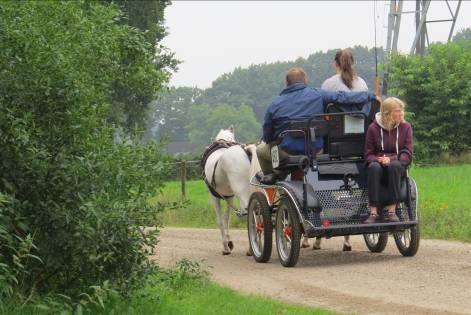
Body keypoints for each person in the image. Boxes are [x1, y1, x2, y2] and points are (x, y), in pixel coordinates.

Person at [256, 67, 378, 184]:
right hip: (316, 151)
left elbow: (267, 135)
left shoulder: (275, 103)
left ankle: (274, 176)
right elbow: (343, 97)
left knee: (260, 150)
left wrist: (271, 139)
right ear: (305, 81)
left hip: (287, 152)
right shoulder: (318, 94)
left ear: (286, 83)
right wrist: (370, 95)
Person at [363, 97, 413, 223]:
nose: (401, 113)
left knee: (394, 165)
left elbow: (407, 152)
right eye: (397, 110)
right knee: (373, 167)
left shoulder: (406, 127)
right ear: (388, 113)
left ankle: (392, 211)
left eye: (401, 110)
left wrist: (390, 159)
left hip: (397, 166)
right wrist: (379, 160)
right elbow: (368, 154)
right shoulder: (373, 128)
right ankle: (373, 212)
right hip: (378, 166)